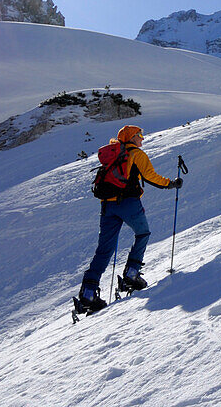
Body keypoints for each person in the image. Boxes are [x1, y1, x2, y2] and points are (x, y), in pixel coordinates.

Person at [76, 124, 182, 313]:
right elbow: (150, 177)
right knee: (143, 233)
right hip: (129, 203)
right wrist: (171, 184)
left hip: (107, 205)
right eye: (140, 135)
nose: (142, 138)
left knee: (104, 250)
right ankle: (131, 274)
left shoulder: (115, 155)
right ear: (132, 137)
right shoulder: (136, 154)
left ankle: (88, 294)